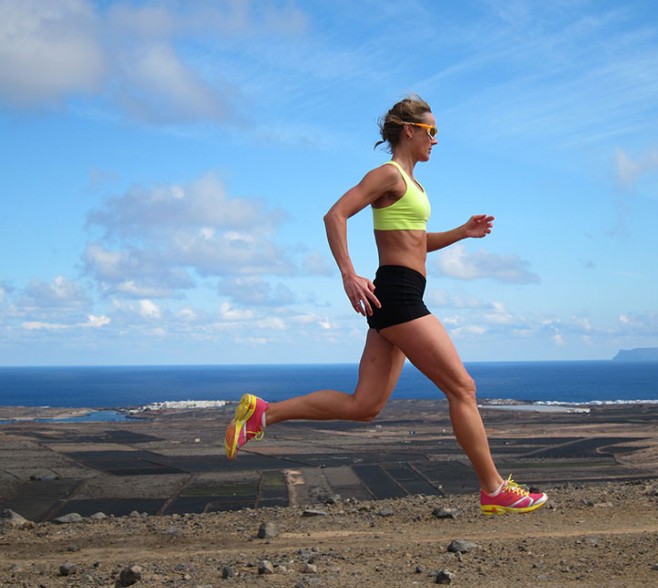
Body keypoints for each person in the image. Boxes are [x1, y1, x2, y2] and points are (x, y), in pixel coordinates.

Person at [224, 95, 547, 515]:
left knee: (365, 405)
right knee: (462, 387)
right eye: (431, 132)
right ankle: (494, 488)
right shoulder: (388, 175)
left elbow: (415, 243)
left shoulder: (412, 184)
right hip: (396, 296)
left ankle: (262, 415)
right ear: (409, 130)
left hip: (399, 293)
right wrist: (348, 273)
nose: (436, 140)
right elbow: (335, 215)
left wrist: (461, 233)